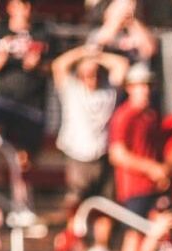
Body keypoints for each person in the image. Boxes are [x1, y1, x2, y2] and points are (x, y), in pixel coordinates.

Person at [52, 44, 128, 227]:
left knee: (106, 206)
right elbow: (59, 65)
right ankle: (73, 242)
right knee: (74, 204)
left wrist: (97, 57)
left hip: (102, 155)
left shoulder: (109, 91)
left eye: (95, 74)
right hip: (77, 155)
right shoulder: (71, 90)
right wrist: (83, 52)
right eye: (86, 74)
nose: (91, 78)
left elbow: (121, 64)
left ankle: (101, 247)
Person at [0, 0, 50, 182]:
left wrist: (37, 65)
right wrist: (3, 54)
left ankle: (21, 197)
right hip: (3, 100)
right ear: (11, 7)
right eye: (22, 4)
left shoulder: (43, 32)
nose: (26, 10)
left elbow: (54, 67)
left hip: (32, 105)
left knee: (25, 161)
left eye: (29, 5)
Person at [108, 65, 167, 251]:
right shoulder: (125, 116)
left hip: (151, 187)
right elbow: (118, 154)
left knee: (148, 234)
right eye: (140, 85)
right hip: (134, 187)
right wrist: (151, 168)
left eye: (148, 85)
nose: (146, 90)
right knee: (133, 233)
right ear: (129, 87)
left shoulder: (150, 116)